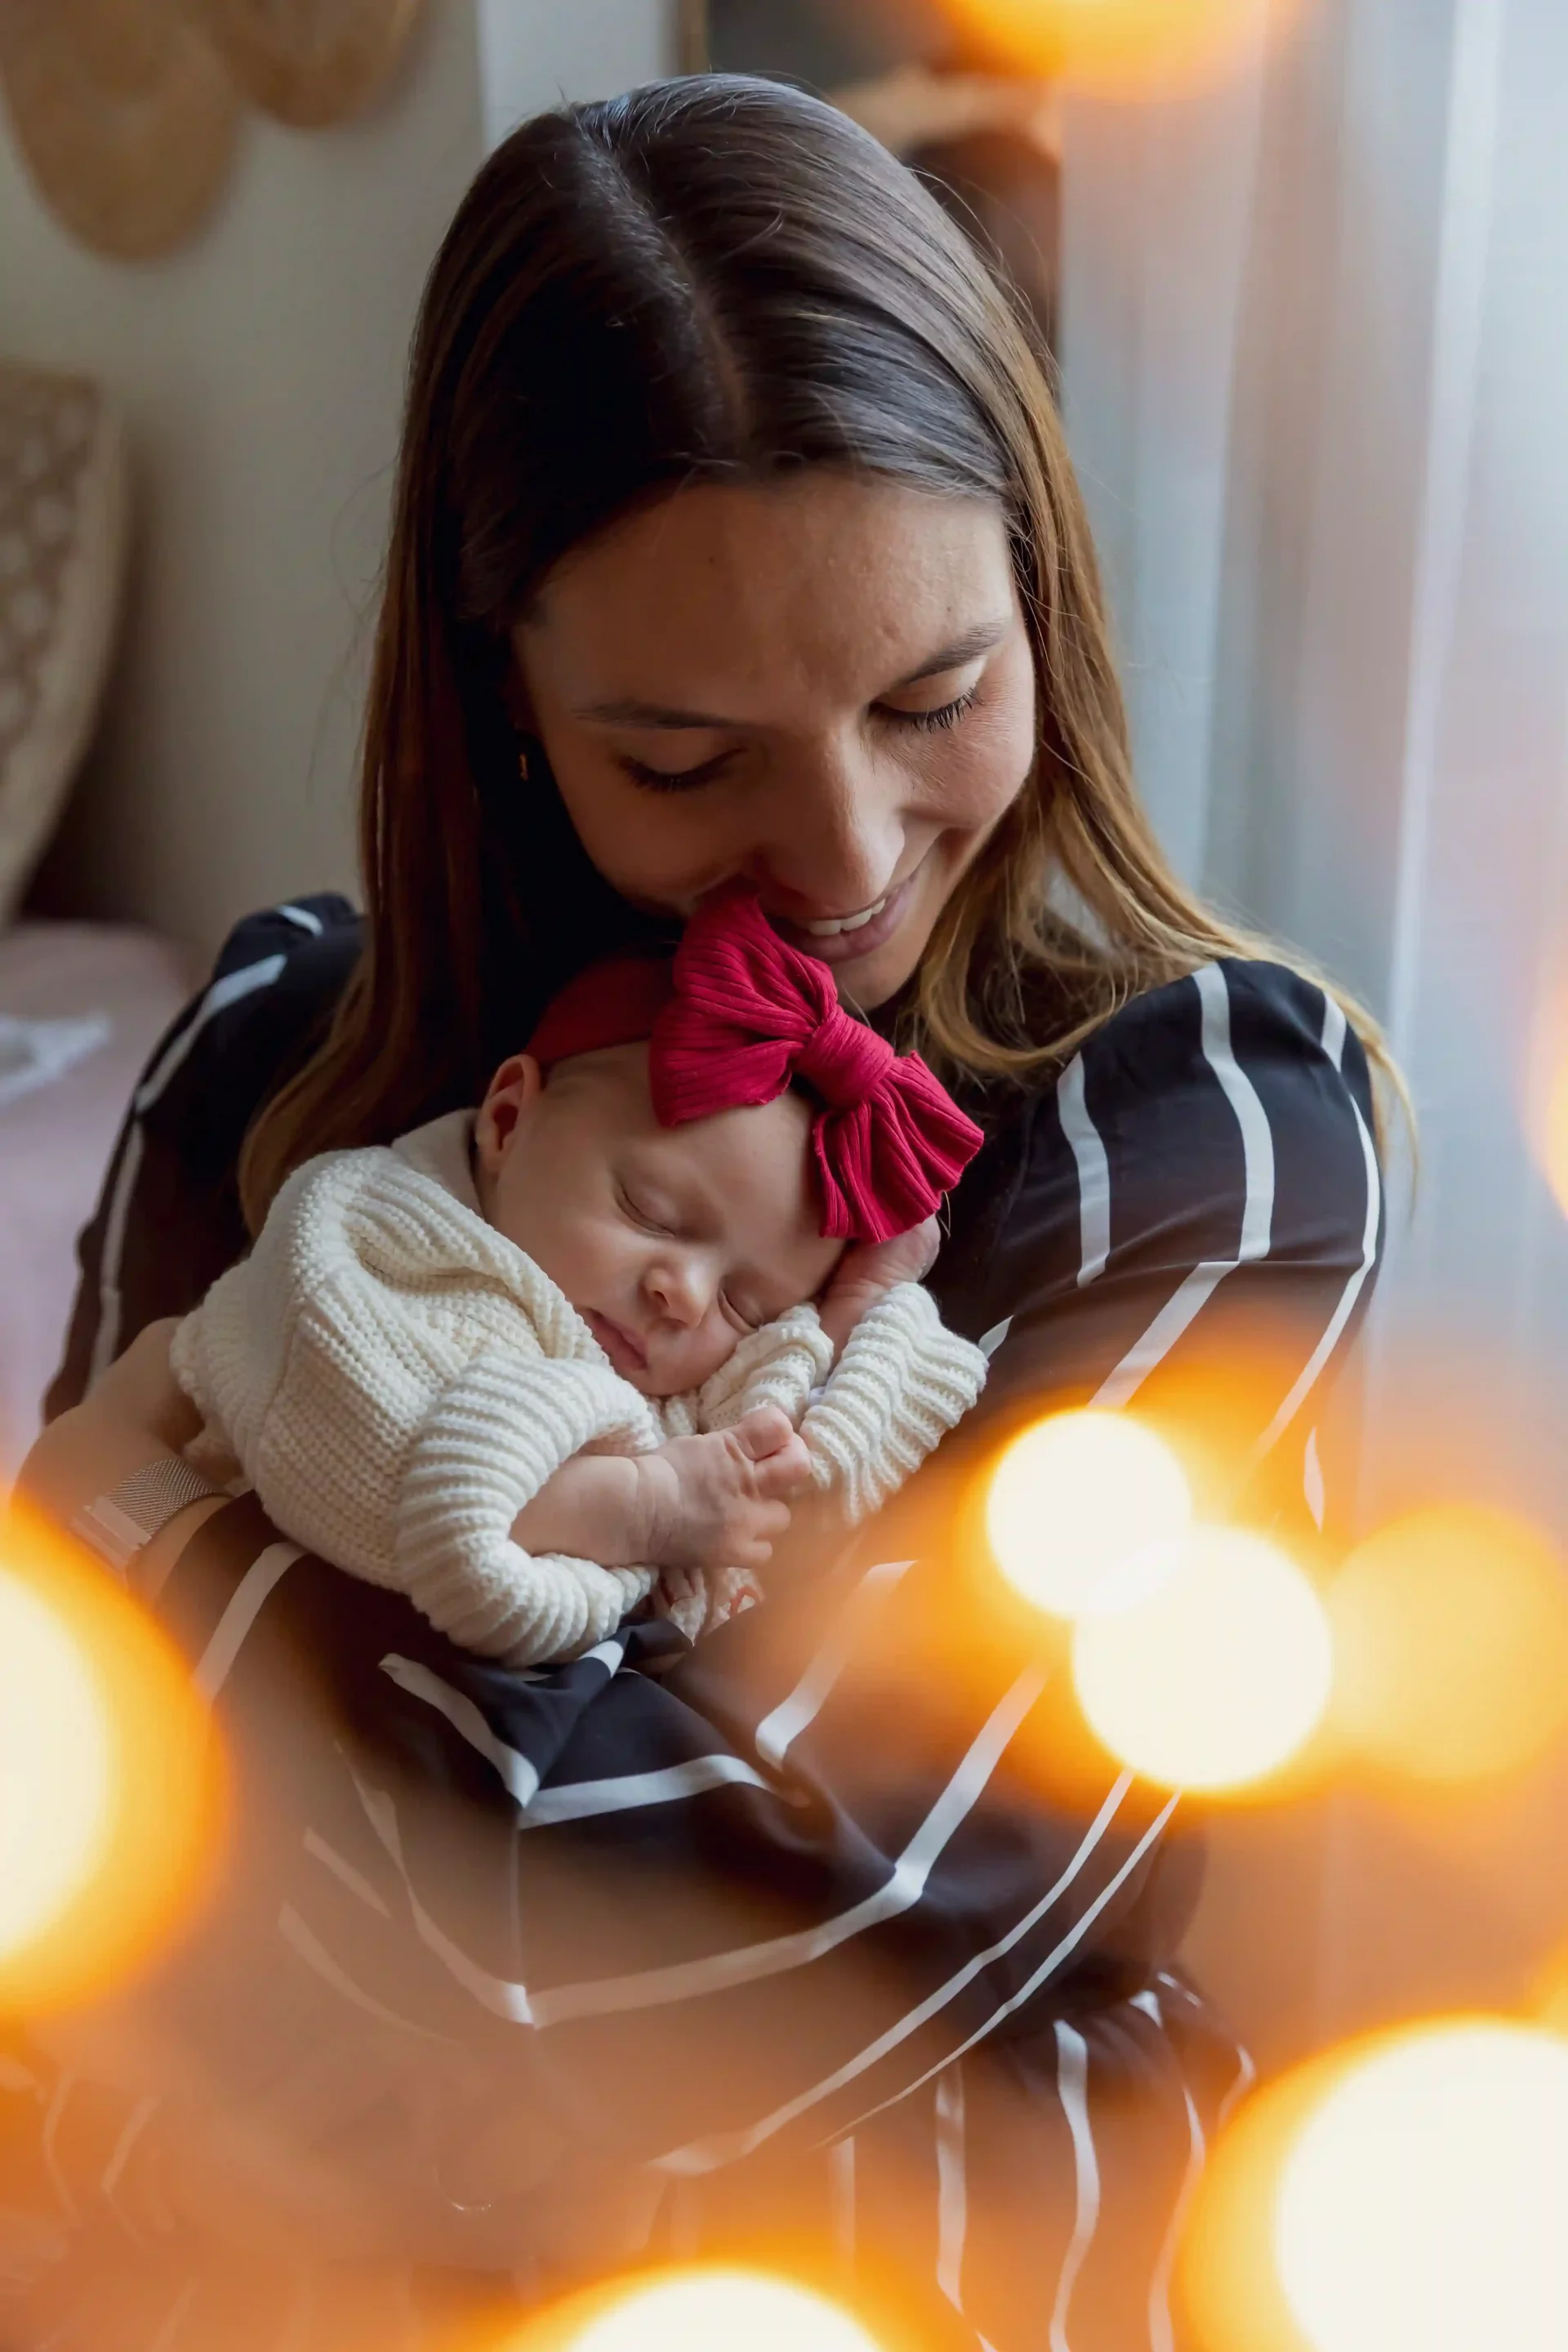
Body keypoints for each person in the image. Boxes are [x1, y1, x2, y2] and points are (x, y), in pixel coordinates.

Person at [10, 73, 1391, 2352]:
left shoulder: (1202, 1127)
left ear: (1039, 598)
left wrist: (171, 1529)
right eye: (685, 758)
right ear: (507, 710)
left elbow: (628, 1944)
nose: (844, 858)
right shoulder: (268, 1061)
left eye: (933, 695)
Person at [167, 889, 987, 1666]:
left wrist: (859, 1305)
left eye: (748, 1303)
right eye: (651, 1212)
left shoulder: (672, 1363)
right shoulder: (365, 1231)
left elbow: (797, 1476)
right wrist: (645, 1507)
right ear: (509, 1120)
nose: (688, 1295)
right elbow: (377, 1469)